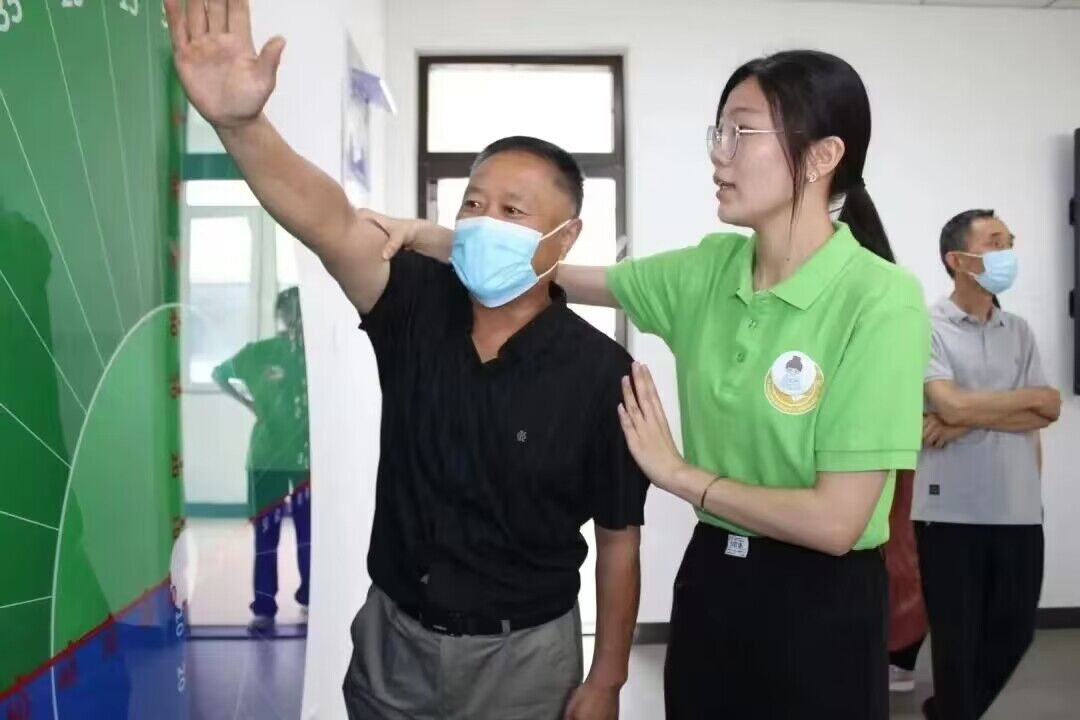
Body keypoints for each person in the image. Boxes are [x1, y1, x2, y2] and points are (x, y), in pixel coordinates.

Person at [392, 50, 930, 719]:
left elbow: (836, 522)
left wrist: (679, 475)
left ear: (822, 155)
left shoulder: (880, 300)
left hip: (821, 601)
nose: (719, 155)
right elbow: (548, 269)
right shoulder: (708, 270)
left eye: (742, 131)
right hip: (713, 581)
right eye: (718, 132)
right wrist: (441, 238)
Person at [164, 2, 649, 718]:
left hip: (525, 659)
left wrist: (606, 680)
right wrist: (242, 126)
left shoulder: (601, 373)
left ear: (566, 237)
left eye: (513, 212)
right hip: (394, 645)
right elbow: (330, 221)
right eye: (473, 203)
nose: (483, 222)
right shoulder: (415, 301)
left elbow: (618, 540)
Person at [915, 209, 1060, 720]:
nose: (1008, 253)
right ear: (958, 260)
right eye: (995, 242)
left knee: (1015, 633)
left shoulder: (1018, 331)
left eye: (1009, 241)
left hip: (1018, 508)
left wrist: (962, 420)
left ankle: (948, 712)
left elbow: (1050, 407)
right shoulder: (925, 326)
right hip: (948, 512)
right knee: (956, 647)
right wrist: (1013, 405)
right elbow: (948, 404)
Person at [212, 286, 312, 632]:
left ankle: (305, 596)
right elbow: (220, 372)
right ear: (283, 316)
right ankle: (266, 604)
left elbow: (220, 374)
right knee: (270, 534)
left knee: (307, 533)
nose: (296, 318)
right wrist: (249, 403)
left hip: (306, 460)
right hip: (268, 460)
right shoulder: (261, 352)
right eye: (293, 311)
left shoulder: (314, 355)